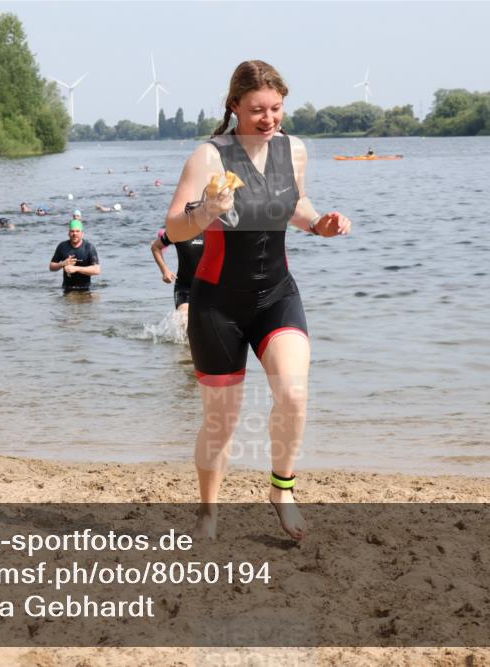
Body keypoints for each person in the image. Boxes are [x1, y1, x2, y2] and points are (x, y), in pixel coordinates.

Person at [164, 60, 352, 541]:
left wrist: (318, 224)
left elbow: (295, 205)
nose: (268, 119)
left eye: (276, 108)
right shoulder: (209, 157)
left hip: (276, 295)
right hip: (217, 305)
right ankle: (208, 511)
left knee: (293, 393)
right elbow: (174, 227)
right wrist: (206, 210)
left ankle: (282, 490)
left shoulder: (295, 150)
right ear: (234, 107)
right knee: (221, 423)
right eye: (257, 110)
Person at [150, 227, 204, 328]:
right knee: (185, 320)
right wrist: (165, 271)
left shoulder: (214, 228)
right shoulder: (178, 228)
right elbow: (156, 247)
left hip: (211, 289)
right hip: (185, 287)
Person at [49, 220, 100, 291]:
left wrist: (76, 269)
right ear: (68, 233)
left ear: (82, 233)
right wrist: (63, 264)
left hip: (85, 289)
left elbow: (97, 270)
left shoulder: (89, 247)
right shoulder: (62, 246)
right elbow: (51, 267)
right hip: (67, 288)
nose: (74, 233)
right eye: (72, 231)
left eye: (77, 231)